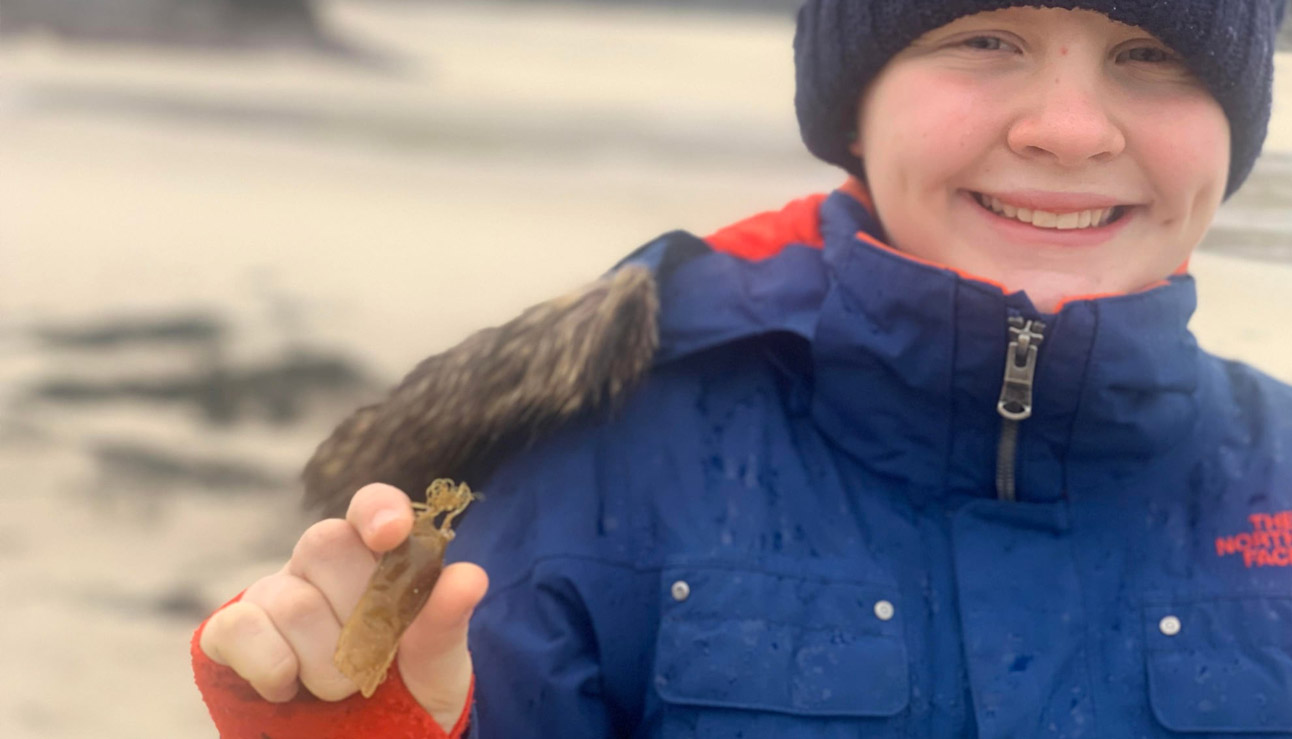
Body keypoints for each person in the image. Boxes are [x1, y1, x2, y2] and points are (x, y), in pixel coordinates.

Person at [191, 0, 1292, 736]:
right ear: (852, 108)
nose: (1065, 129)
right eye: (983, 37)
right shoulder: (594, 462)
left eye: (1153, 54)